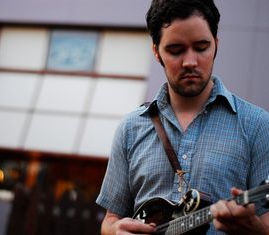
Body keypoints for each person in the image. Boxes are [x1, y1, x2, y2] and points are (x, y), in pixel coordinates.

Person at [96, 0, 269, 234]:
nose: (190, 62)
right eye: (175, 50)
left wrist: (254, 229)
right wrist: (116, 231)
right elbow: (111, 219)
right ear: (156, 51)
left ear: (216, 45)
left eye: (201, 47)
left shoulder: (257, 125)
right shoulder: (130, 127)